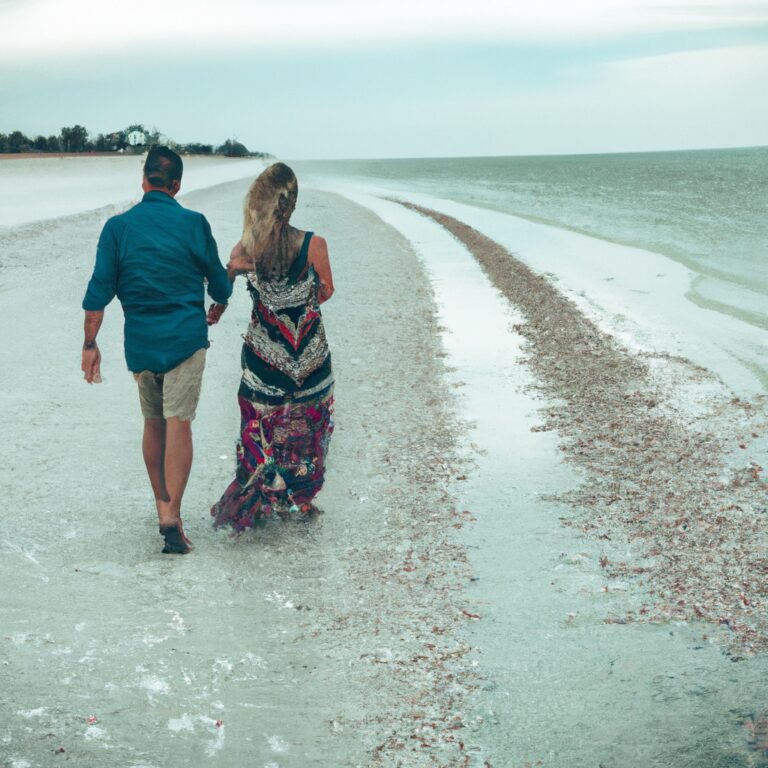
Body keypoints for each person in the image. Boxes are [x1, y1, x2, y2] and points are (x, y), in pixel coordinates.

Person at [81, 146, 233, 554]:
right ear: (177, 185)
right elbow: (219, 284)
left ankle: (161, 506)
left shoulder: (117, 228)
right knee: (178, 422)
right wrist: (222, 295)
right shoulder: (193, 223)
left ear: (144, 180)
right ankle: (172, 513)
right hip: (185, 338)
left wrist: (89, 344)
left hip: (142, 344)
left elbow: (98, 293)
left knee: (154, 423)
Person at [208, 162, 334, 532]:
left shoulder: (247, 247)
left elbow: (226, 278)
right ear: (291, 204)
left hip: (263, 360)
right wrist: (296, 305)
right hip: (310, 359)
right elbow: (326, 290)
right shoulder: (314, 245)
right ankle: (298, 500)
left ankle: (260, 497)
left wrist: (219, 306)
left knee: (259, 426)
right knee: (307, 430)